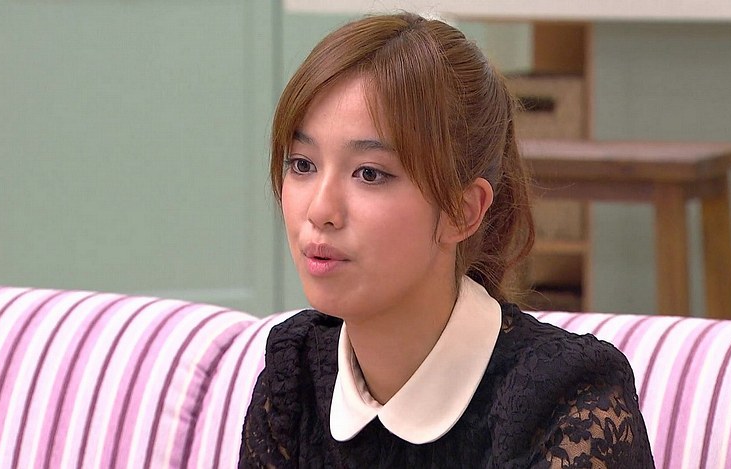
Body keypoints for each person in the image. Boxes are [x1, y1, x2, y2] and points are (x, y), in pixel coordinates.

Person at [240, 12, 654, 468]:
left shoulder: (570, 402)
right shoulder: (294, 373)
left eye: (369, 173)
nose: (320, 210)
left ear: (463, 211)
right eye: (302, 164)